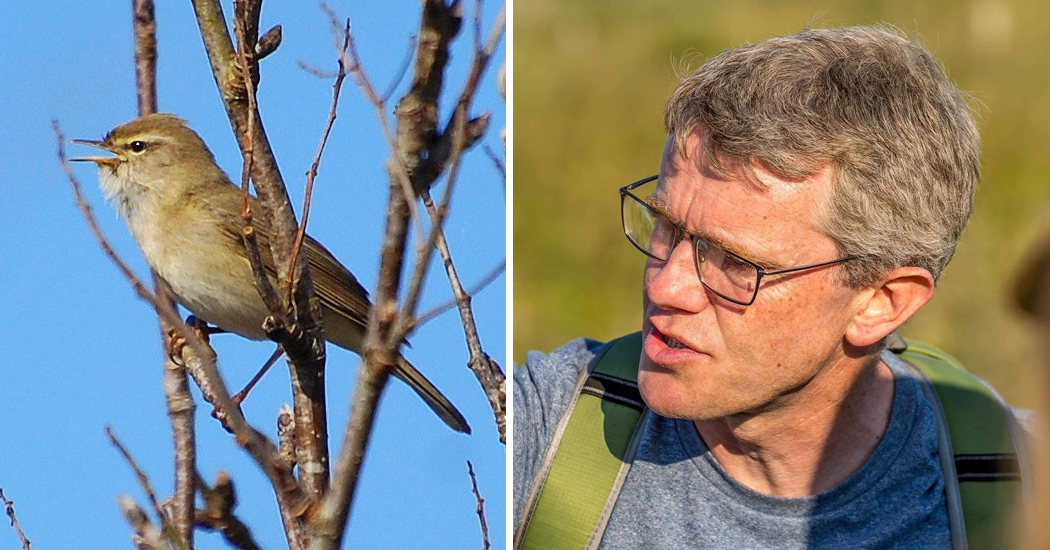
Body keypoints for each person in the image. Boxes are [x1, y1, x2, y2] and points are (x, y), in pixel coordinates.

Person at [514, 25, 1028, 548]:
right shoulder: (535, 437)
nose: (669, 286)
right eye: (667, 226)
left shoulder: (1020, 494)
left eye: (737, 263)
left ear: (881, 302)